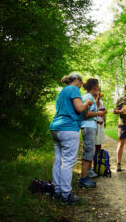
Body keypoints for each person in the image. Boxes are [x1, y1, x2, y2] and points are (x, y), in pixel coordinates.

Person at [49, 72, 93, 205]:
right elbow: (79, 108)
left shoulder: (62, 92)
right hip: (68, 129)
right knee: (68, 162)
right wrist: (87, 103)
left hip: (55, 127)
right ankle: (66, 195)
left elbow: (73, 112)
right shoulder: (73, 88)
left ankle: (57, 191)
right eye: (80, 84)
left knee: (58, 160)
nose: (80, 87)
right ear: (77, 81)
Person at [79, 78, 103, 186]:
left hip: (90, 126)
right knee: (88, 150)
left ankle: (85, 177)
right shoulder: (87, 97)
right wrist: (100, 114)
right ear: (94, 86)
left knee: (90, 150)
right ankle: (83, 179)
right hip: (88, 126)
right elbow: (86, 114)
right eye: (97, 85)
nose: (98, 87)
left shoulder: (90, 97)